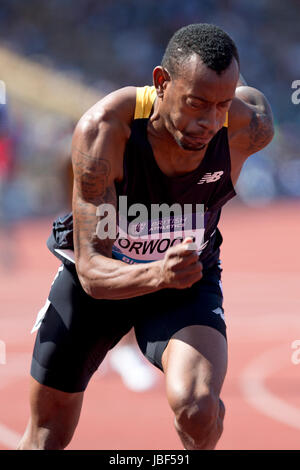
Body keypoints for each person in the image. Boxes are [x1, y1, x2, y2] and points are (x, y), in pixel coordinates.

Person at [18, 23, 274, 450]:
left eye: (222, 105)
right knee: (46, 436)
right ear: (161, 83)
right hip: (102, 284)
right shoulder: (106, 130)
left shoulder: (245, 129)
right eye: (196, 104)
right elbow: (92, 273)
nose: (209, 122)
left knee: (198, 410)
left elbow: (258, 105)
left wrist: (236, 98)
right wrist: (156, 273)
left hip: (185, 284)